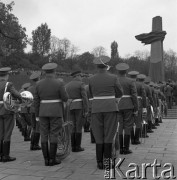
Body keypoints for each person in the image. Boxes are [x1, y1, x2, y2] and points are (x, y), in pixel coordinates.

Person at [88, 56, 123, 169]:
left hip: (96, 108)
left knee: (98, 135)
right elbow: (120, 92)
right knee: (109, 135)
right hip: (110, 108)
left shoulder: (91, 79)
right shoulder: (113, 77)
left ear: (97, 66)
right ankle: (107, 162)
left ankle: (99, 162)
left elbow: (91, 94)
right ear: (106, 66)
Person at [34, 63, 68, 166]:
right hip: (55, 111)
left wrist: (37, 114)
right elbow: (65, 98)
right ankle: (52, 159)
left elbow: (36, 100)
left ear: (45, 72)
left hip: (42, 112)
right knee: (54, 134)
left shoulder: (38, 84)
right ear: (54, 72)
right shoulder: (59, 83)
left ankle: (46, 160)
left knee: (44, 134)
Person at [0, 67, 22, 162]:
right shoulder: (8, 84)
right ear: (7, 75)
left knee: (0, 133)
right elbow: (17, 94)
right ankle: (5, 156)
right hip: (7, 110)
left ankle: (0, 155)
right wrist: (20, 100)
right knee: (7, 132)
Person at [116, 63, 138, 155]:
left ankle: (120, 148)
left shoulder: (115, 80)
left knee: (120, 126)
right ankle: (126, 148)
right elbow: (134, 95)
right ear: (126, 72)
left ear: (118, 72)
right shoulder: (130, 81)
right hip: (128, 105)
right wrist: (136, 107)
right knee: (128, 126)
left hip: (117, 105)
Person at [65, 70, 89, 152]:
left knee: (72, 126)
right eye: (81, 76)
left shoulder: (67, 85)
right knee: (78, 126)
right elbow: (84, 97)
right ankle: (77, 146)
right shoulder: (81, 84)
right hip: (79, 106)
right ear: (78, 76)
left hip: (70, 106)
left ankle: (73, 146)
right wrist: (86, 109)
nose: (81, 78)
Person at [128, 71, 146, 144]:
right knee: (138, 122)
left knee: (130, 122)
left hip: (129, 103)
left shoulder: (128, 83)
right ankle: (137, 139)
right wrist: (144, 107)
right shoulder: (140, 84)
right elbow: (144, 96)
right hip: (139, 103)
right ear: (136, 77)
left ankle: (132, 139)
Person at [28, 72, 41, 150]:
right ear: (39, 78)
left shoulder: (29, 88)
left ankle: (32, 144)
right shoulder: (39, 87)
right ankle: (35, 144)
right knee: (38, 128)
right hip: (37, 109)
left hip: (31, 109)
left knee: (34, 127)